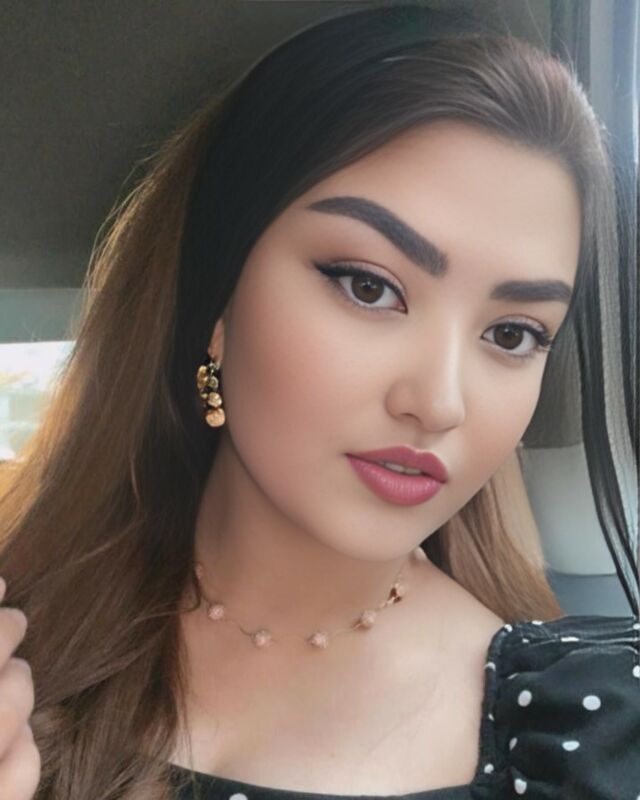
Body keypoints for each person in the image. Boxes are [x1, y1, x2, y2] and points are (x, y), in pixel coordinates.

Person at [0, 5, 637, 799]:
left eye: (512, 335)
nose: (439, 402)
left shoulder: (591, 731)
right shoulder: (24, 639)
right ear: (215, 298)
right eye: (369, 287)